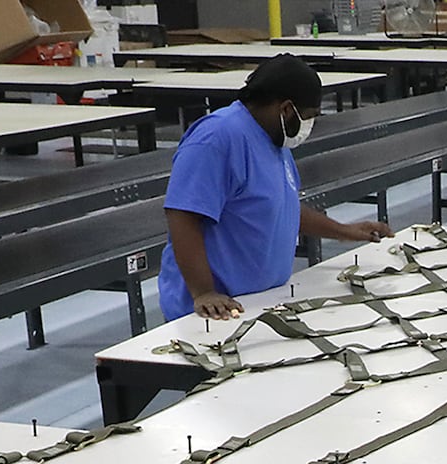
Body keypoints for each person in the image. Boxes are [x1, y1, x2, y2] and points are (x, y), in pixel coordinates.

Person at [158, 55, 393, 322]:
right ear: (286, 110)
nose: (308, 126)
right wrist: (203, 292)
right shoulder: (217, 138)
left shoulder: (273, 140)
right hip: (214, 311)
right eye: (308, 117)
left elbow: (281, 206)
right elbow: (183, 215)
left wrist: (344, 231)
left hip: (260, 302)